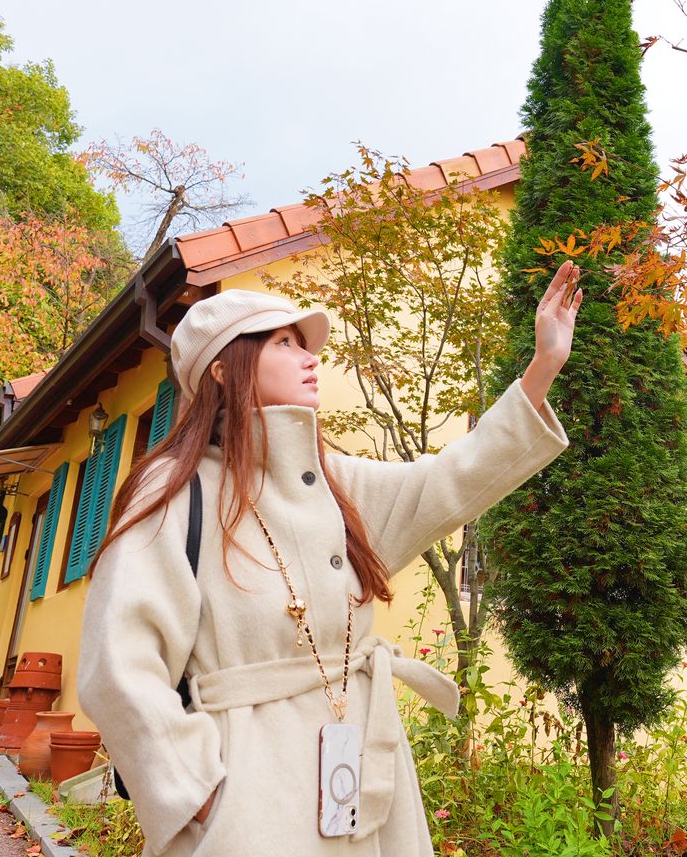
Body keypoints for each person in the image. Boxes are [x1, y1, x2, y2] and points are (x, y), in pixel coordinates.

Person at [79, 261, 583, 856]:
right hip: (247, 798)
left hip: (362, 777)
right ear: (222, 367)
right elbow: (120, 667)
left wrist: (543, 365)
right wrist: (201, 796)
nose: (310, 357)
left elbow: (452, 479)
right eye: (284, 344)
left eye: (307, 345)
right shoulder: (174, 490)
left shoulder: (335, 483)